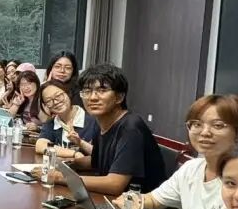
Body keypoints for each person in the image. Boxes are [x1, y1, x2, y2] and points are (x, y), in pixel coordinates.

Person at [115, 94, 238, 209]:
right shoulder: (192, 168)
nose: (205, 132)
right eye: (196, 124)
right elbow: (154, 200)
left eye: (218, 125)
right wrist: (132, 200)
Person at [33, 64, 165, 196]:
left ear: (119, 97)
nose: (93, 98)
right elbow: (95, 162)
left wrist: (58, 177)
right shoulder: (101, 122)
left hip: (140, 205)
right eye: (87, 91)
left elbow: (115, 184)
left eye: (102, 90)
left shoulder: (130, 127)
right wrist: (67, 164)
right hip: (113, 200)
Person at [34, 79, 98, 159]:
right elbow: (40, 146)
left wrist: (80, 143)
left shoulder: (94, 121)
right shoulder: (52, 123)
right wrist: (74, 154)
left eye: (58, 96)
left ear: (68, 93)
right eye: (49, 101)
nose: (55, 102)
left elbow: (102, 154)